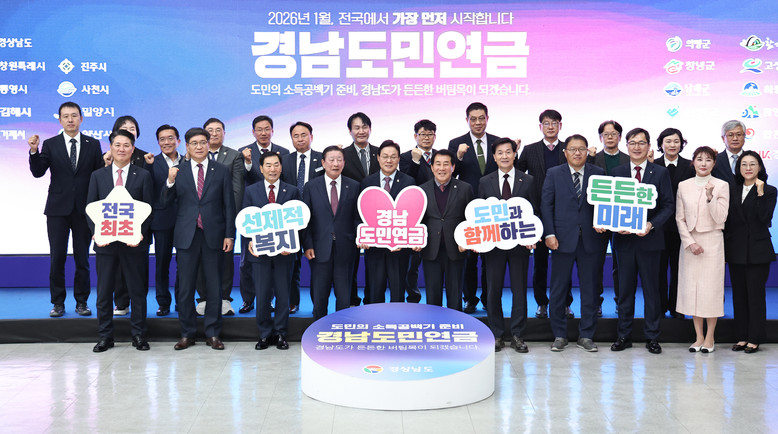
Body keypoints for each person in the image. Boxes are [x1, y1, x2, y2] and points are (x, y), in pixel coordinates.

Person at [29, 101, 105, 317]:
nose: (70, 120)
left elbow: (99, 176)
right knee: (57, 258)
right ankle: (58, 303)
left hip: (84, 209)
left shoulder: (93, 144)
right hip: (57, 210)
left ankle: (82, 302)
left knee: (83, 259)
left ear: (81, 118)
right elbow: (38, 172)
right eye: (65, 116)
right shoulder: (50, 144)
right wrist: (34, 151)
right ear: (60, 120)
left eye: (74, 115)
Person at [163, 128, 235, 351]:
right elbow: (165, 202)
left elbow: (229, 204)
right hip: (187, 235)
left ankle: (213, 333)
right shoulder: (178, 171)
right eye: (194, 143)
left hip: (214, 234)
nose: (199, 146)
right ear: (187, 146)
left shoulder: (221, 170)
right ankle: (187, 333)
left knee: (214, 286)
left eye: (203, 142)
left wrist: (229, 234)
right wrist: (169, 182)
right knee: (185, 287)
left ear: (208, 144)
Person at [86, 130, 153, 352]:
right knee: (104, 292)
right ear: (111, 147)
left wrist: (140, 232)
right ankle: (105, 336)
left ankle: (139, 335)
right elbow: (90, 208)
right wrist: (96, 232)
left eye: (126, 145)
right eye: (117, 145)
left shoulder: (143, 175)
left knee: (137, 291)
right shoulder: (98, 175)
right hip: (105, 244)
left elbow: (149, 209)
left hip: (134, 243)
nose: (121, 149)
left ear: (133, 149)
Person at [610, 128, 674, 354]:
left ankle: (652, 337)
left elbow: (668, 205)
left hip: (650, 241)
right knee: (624, 291)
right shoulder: (617, 172)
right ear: (626, 146)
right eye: (632, 143)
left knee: (651, 291)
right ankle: (623, 335)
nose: (637, 147)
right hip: (624, 242)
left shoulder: (660, 173)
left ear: (649, 146)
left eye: (641, 143)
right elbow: (609, 206)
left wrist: (651, 224)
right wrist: (615, 224)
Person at [542, 135, 605, 352]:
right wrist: (549, 233)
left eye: (581, 149)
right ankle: (559, 334)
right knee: (558, 289)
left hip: (591, 240)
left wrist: (603, 222)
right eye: (572, 149)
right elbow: (546, 205)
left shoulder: (598, 174)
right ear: (565, 152)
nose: (577, 153)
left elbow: (605, 204)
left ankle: (586, 335)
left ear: (588, 151)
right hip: (561, 240)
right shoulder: (554, 173)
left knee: (590, 290)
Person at [478, 138, 536, 352]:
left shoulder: (527, 180)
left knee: (519, 290)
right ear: (494, 157)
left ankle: (518, 335)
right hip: (493, 245)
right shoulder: (485, 181)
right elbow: (479, 214)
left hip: (519, 245)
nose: (504, 156)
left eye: (508, 152)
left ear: (514, 154)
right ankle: (496, 334)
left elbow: (534, 211)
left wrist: (533, 235)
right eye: (500, 153)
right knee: (493, 290)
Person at [516, 109, 572, 319]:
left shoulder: (569, 149)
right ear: (540, 126)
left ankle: (565, 303)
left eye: (554, 123)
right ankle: (541, 303)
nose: (550, 127)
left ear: (560, 125)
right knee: (540, 263)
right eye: (546, 123)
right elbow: (516, 174)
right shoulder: (530, 150)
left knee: (564, 262)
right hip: (538, 214)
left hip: (564, 214)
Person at [675, 146, 729, 353]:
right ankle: (698, 337)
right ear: (693, 162)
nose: (703, 163)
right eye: (699, 159)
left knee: (710, 290)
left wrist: (710, 197)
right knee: (692, 290)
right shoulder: (683, 185)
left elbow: (721, 217)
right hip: (690, 243)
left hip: (712, 242)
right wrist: (689, 242)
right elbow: (680, 218)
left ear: (714, 163)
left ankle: (710, 337)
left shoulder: (721, 185)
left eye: (708, 160)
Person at [244, 151, 298, 350]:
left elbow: (298, 222)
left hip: (284, 253)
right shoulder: (251, 191)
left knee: (283, 294)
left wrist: (290, 244)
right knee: (263, 294)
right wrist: (249, 241)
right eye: (268, 165)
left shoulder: (292, 191)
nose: (272, 169)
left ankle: (281, 334)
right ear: (261, 168)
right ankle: (265, 335)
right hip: (260, 253)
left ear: (281, 168)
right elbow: (245, 220)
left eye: (276, 165)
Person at [448, 102, 498, 313]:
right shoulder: (456, 143)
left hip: (492, 207)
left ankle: (488, 297)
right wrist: (458, 156)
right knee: (469, 256)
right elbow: (449, 172)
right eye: (473, 119)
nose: (478, 122)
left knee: (490, 256)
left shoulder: (497, 142)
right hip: (466, 207)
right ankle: (469, 298)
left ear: (487, 118)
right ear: (467, 120)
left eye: (481, 118)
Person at [725, 151, 776, 354]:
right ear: (738, 168)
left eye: (752, 164)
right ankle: (742, 336)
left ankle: (755, 338)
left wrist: (760, 194)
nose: (748, 168)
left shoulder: (769, 190)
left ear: (760, 167)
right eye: (744, 164)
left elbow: (764, 218)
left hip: (758, 251)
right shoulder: (732, 189)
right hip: (736, 250)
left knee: (755, 296)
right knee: (739, 296)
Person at [238, 115, 289, 314]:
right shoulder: (244, 152)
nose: (263, 133)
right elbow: (240, 178)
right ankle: (248, 299)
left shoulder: (283, 152)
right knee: (248, 260)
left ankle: (273, 300)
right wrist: (247, 162)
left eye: (267, 129)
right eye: (259, 129)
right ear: (253, 132)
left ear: (272, 130)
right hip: (253, 213)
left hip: (277, 214)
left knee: (277, 260)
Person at [194, 118, 245, 317]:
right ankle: (203, 298)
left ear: (224, 133)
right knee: (199, 258)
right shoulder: (194, 156)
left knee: (225, 258)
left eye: (218, 130)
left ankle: (224, 298)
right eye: (210, 130)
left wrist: (229, 217)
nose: (214, 134)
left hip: (223, 217)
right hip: (198, 218)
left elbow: (237, 189)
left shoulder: (234, 156)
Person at [302, 146, 361, 319]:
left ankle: (342, 327)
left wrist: (360, 236)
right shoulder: (311, 186)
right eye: (331, 160)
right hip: (319, 248)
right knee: (320, 295)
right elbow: (306, 219)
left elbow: (357, 217)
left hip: (346, 248)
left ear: (344, 162)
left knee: (344, 295)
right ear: (323, 163)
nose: (335, 164)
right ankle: (318, 328)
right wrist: (308, 245)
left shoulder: (354, 186)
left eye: (339, 160)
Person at [107, 115, 153, 316]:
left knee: (138, 267)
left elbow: (149, 193)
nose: (128, 130)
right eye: (124, 127)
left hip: (137, 223)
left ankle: (139, 305)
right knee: (117, 266)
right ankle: (121, 302)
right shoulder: (107, 157)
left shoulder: (145, 157)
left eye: (132, 128)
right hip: (112, 222)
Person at [359, 140, 415, 303]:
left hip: (399, 248)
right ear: (378, 158)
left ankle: (397, 317)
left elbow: (412, 214)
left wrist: (405, 240)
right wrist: (362, 236)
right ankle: (376, 317)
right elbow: (360, 213)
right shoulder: (367, 182)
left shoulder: (408, 182)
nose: (389, 160)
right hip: (374, 248)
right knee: (375, 289)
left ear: (398, 159)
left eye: (393, 157)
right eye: (385, 156)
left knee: (398, 289)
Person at [417, 149, 473, 310]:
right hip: (430, 250)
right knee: (432, 296)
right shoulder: (422, 190)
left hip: (456, 250)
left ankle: (455, 324)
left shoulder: (465, 188)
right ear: (432, 167)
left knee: (455, 296)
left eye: (446, 164)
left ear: (453, 167)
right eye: (438, 164)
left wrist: (466, 241)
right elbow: (418, 220)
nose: (442, 168)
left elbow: (471, 219)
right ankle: (434, 324)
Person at [281, 121, 324, 314]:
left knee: (318, 266)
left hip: (316, 220)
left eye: (304, 135)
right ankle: (292, 301)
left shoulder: (322, 159)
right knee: (291, 264)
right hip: (290, 220)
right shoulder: (284, 160)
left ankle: (318, 305)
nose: (300, 139)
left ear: (311, 137)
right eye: (296, 136)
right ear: (291, 138)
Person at [588, 120, 629, 316]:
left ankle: (621, 301)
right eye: (606, 134)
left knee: (620, 263)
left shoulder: (629, 159)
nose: (610, 137)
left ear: (620, 137)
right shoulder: (592, 159)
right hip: (599, 218)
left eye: (614, 134)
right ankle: (596, 302)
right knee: (596, 262)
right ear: (600, 137)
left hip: (622, 217)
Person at [399, 119, 440, 303]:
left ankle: (434, 299)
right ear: (415, 136)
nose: (426, 138)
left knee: (435, 257)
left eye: (430, 134)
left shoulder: (440, 156)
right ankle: (413, 296)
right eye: (422, 134)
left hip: (437, 212)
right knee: (412, 261)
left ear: (435, 136)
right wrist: (415, 161)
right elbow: (406, 181)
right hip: (415, 214)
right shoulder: (405, 157)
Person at [654, 128, 694, 319]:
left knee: (680, 269)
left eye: (676, 141)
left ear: (682, 144)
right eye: (668, 141)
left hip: (682, 226)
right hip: (658, 226)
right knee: (658, 269)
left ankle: (678, 308)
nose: (672, 145)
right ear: (661, 144)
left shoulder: (690, 166)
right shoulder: (653, 165)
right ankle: (660, 307)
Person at [341, 112, 379, 307]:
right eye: (357, 127)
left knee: (375, 262)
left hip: (378, 215)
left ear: (370, 129)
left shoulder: (381, 153)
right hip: (350, 215)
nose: (361, 131)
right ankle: (352, 300)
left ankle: (372, 299)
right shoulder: (342, 155)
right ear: (350, 131)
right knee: (351, 262)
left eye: (365, 127)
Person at [149, 125, 183, 316]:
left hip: (185, 220)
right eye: (162, 139)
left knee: (184, 264)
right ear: (158, 142)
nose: (167, 142)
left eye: (170, 138)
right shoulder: (151, 163)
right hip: (161, 220)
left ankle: (181, 301)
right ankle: (163, 302)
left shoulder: (188, 161)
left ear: (178, 141)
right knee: (162, 263)